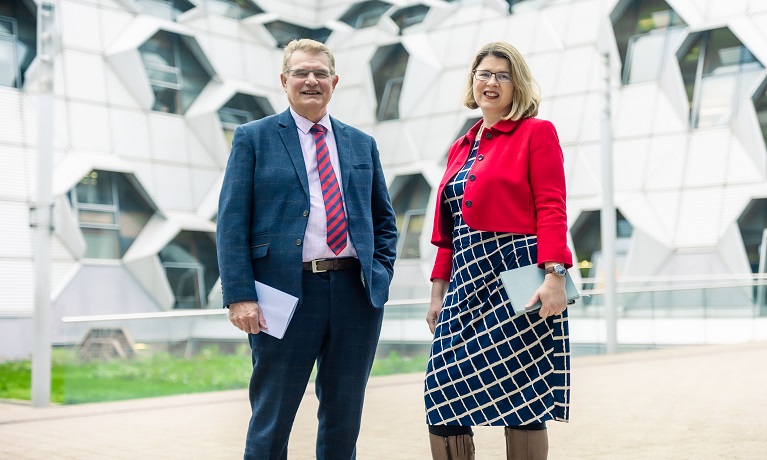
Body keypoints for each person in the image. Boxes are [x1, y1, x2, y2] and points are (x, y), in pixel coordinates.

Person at [216, 38, 398, 460]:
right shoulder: (253, 138)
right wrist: (240, 294)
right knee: (272, 416)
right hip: (283, 294)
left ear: (334, 82)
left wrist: (381, 275)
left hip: (356, 294)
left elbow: (383, 221)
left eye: (320, 73)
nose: (311, 80)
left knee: (343, 416)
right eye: (301, 72)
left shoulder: (361, 144)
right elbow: (230, 222)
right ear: (284, 81)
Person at [424, 41, 573, 460]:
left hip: (518, 274)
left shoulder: (536, 132)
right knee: (441, 390)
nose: (492, 82)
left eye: (503, 76)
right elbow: (449, 231)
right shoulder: (463, 145)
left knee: (521, 398)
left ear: (517, 85)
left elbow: (552, 205)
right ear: (473, 82)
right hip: (466, 277)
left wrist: (555, 276)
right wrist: (438, 292)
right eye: (484, 74)